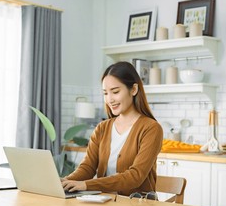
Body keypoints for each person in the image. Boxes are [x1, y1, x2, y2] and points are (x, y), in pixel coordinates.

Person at [61, 61, 163, 196]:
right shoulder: (102, 128)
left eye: (115, 92)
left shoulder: (151, 129)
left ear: (133, 89)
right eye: (105, 93)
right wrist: (65, 182)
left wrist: (86, 185)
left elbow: (135, 176)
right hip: (105, 203)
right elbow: (87, 167)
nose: (109, 99)